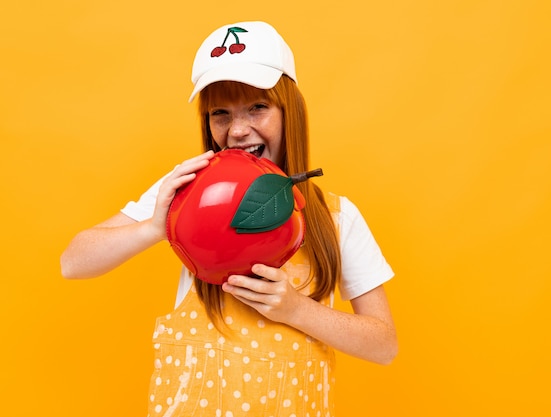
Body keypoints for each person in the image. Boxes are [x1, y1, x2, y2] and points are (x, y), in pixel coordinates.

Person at [61, 20, 397, 417]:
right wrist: (155, 225)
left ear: (291, 111)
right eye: (220, 113)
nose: (238, 130)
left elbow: (384, 345)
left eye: (258, 106)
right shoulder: (184, 192)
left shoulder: (337, 217)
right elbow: (73, 263)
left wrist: (297, 310)